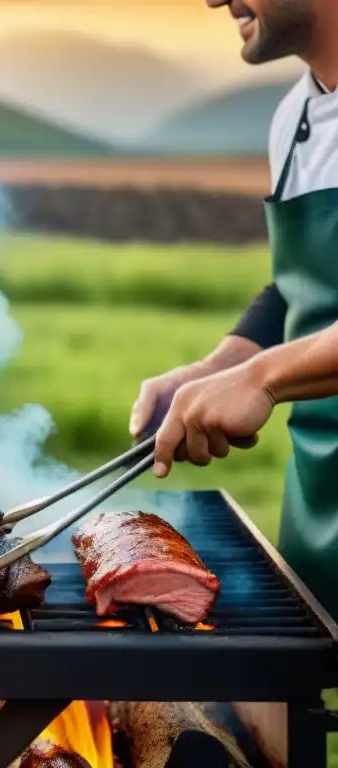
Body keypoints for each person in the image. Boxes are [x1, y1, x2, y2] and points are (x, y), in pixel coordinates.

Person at [131, 0, 338, 613]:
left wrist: (264, 378)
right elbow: (301, 284)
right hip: (321, 506)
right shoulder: (294, 116)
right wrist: (219, 366)